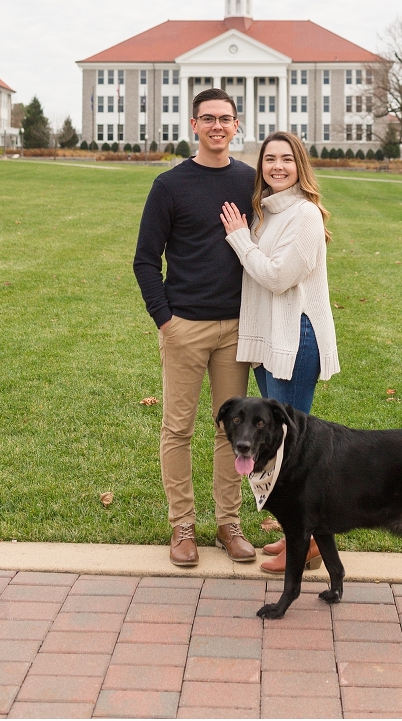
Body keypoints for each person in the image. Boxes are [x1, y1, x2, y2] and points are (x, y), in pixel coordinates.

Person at [133, 88, 257, 567]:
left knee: (232, 433)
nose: (217, 126)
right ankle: (182, 525)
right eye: (208, 118)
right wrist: (165, 318)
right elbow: (146, 259)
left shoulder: (250, 181)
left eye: (225, 118)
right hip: (185, 325)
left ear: (236, 124)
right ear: (194, 124)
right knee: (177, 428)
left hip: (236, 328)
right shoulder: (169, 185)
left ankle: (229, 523)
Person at [220, 130, 339, 573]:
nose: (277, 167)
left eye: (286, 159)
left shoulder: (304, 215)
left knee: (293, 451)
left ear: (300, 165)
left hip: (295, 339)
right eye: (269, 159)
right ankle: (298, 537)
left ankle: (303, 543)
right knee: (279, 446)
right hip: (270, 338)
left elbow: (275, 276)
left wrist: (239, 239)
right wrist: (247, 233)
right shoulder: (266, 214)